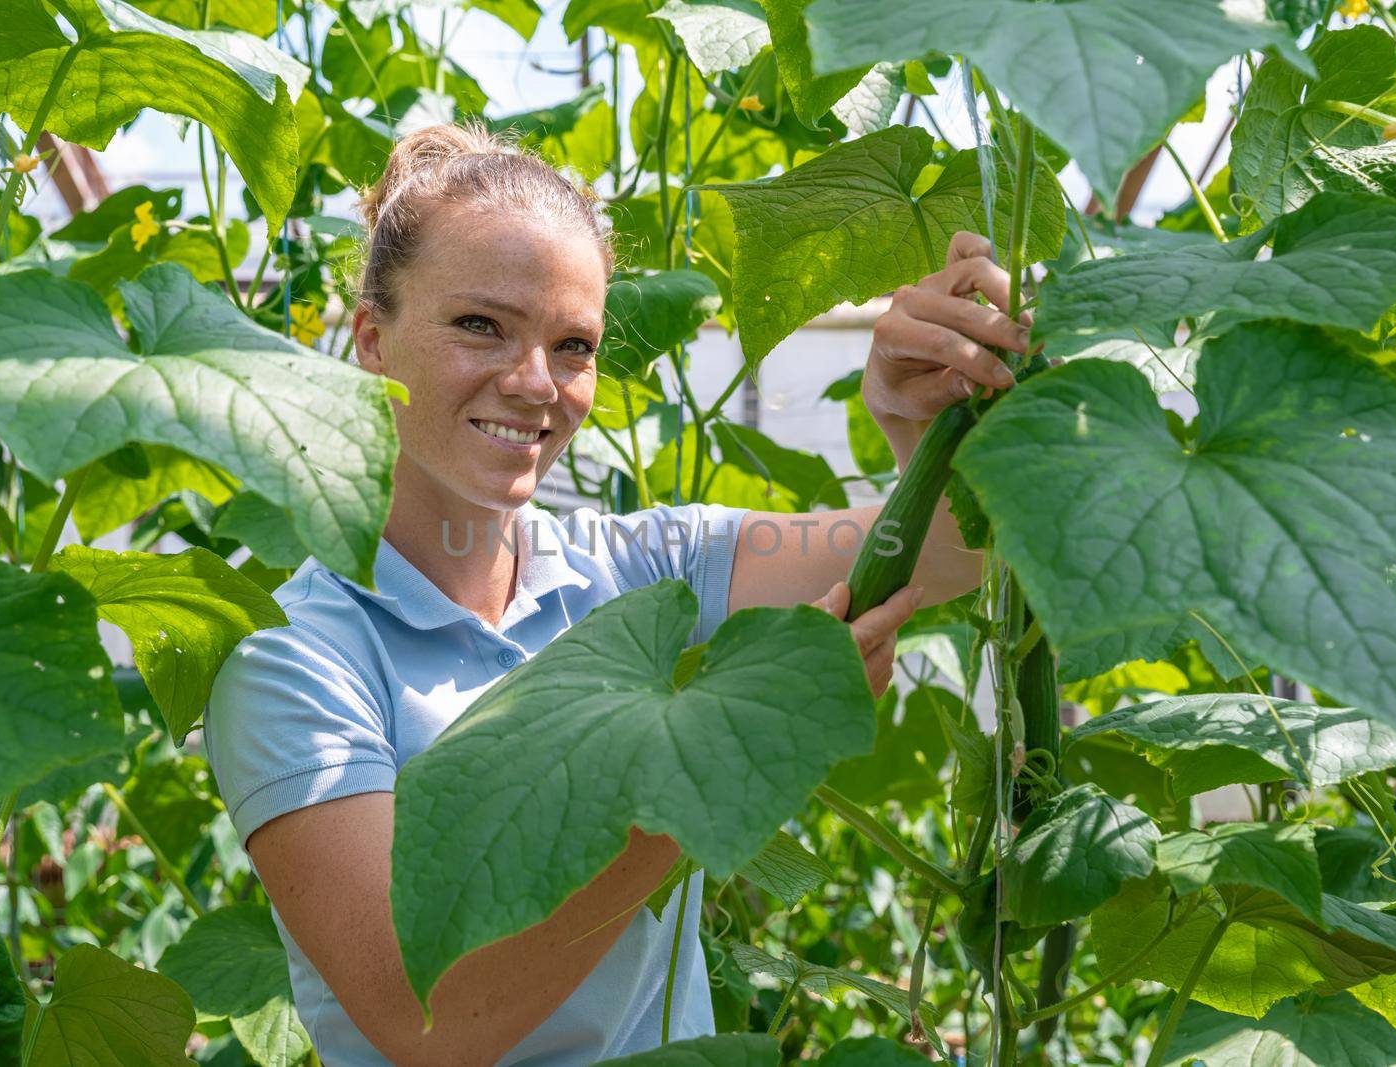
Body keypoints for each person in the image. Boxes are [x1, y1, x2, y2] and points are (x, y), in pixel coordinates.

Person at [202, 117, 1033, 1066]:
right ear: (372, 340)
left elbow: (937, 557)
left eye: (574, 346)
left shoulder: (635, 566)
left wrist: (909, 422)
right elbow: (426, 1017)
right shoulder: (292, 657)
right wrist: (723, 767)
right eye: (481, 325)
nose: (534, 382)